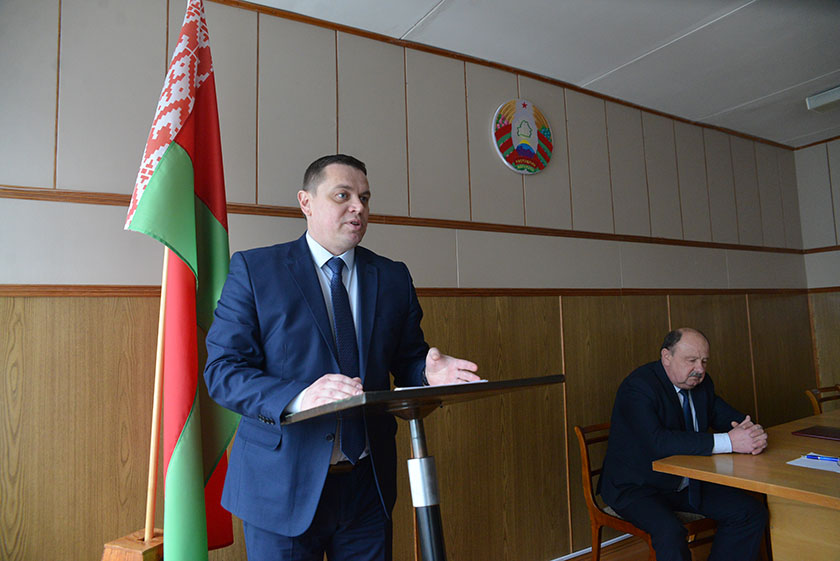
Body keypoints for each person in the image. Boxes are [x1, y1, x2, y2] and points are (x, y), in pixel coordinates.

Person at [203, 154, 480, 561]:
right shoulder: (255, 269)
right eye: (342, 195)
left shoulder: (392, 277)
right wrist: (299, 397)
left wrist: (426, 372)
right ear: (306, 202)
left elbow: (407, 359)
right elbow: (223, 372)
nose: (358, 208)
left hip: (367, 485)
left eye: (364, 198)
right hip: (281, 486)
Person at [599, 328, 768, 561]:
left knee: (750, 512)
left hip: (685, 481)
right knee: (670, 533)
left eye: (704, 361)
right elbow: (658, 442)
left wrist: (751, 433)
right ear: (666, 357)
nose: (700, 369)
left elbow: (728, 417)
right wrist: (729, 441)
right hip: (637, 486)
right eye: (691, 360)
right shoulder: (638, 387)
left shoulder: (701, 383)